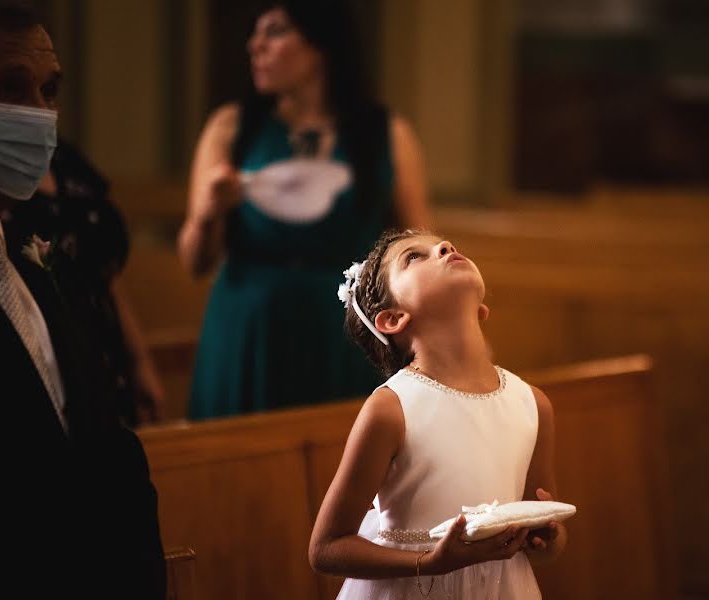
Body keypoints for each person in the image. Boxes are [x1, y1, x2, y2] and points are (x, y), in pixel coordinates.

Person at [179, 0, 430, 419]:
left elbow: (418, 247)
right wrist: (207, 213)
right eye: (254, 33)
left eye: (274, 31)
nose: (254, 45)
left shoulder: (386, 134)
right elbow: (194, 262)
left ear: (321, 43)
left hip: (347, 333)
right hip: (249, 328)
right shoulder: (230, 128)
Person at [0, 2, 166, 598]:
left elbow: (98, 443)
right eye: (12, 88)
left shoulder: (38, 261)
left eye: (49, 90)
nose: (39, 115)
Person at [309, 230, 568, 598]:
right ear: (393, 318)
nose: (445, 247)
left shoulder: (533, 404)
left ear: (480, 310)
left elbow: (547, 533)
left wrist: (547, 535)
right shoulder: (392, 409)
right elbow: (326, 548)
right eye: (414, 257)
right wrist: (430, 563)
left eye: (446, 246)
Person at [1, 137, 166, 427]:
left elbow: (104, 275)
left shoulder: (66, 161)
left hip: (101, 351)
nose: (41, 108)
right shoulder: (3, 180)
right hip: (45, 361)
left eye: (49, 92)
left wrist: (139, 361)